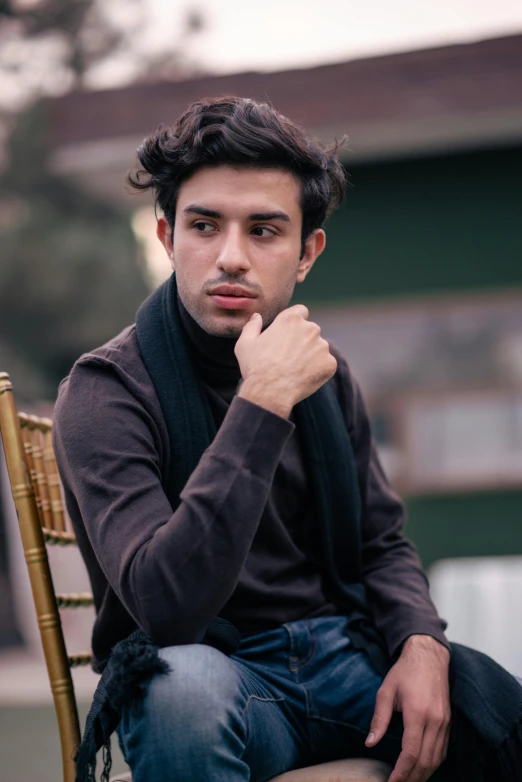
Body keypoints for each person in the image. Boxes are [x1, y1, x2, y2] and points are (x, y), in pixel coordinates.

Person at [53, 96, 522, 782]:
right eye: (205, 225)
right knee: (175, 690)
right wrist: (263, 400)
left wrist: (422, 644)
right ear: (165, 238)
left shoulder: (325, 376)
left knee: (487, 704)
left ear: (307, 253)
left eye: (265, 231)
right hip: (228, 678)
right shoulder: (106, 391)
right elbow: (166, 607)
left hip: (346, 661)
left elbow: (380, 542)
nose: (232, 257)